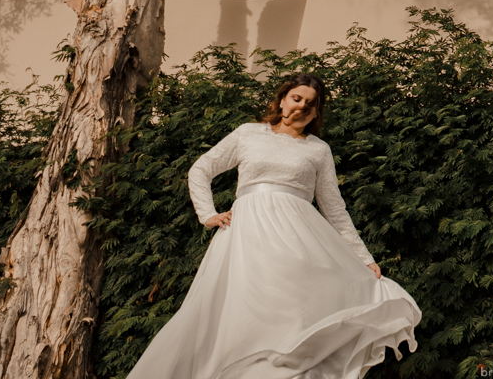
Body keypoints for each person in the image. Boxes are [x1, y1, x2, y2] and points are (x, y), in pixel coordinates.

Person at [128, 74, 421, 379]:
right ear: (282, 99)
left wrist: (363, 258)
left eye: (311, 104)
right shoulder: (249, 134)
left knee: (291, 317)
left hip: (298, 242)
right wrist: (208, 214)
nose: (302, 106)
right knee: (245, 312)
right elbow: (201, 169)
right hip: (247, 238)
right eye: (297, 98)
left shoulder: (318, 149)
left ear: (316, 112)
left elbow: (334, 208)